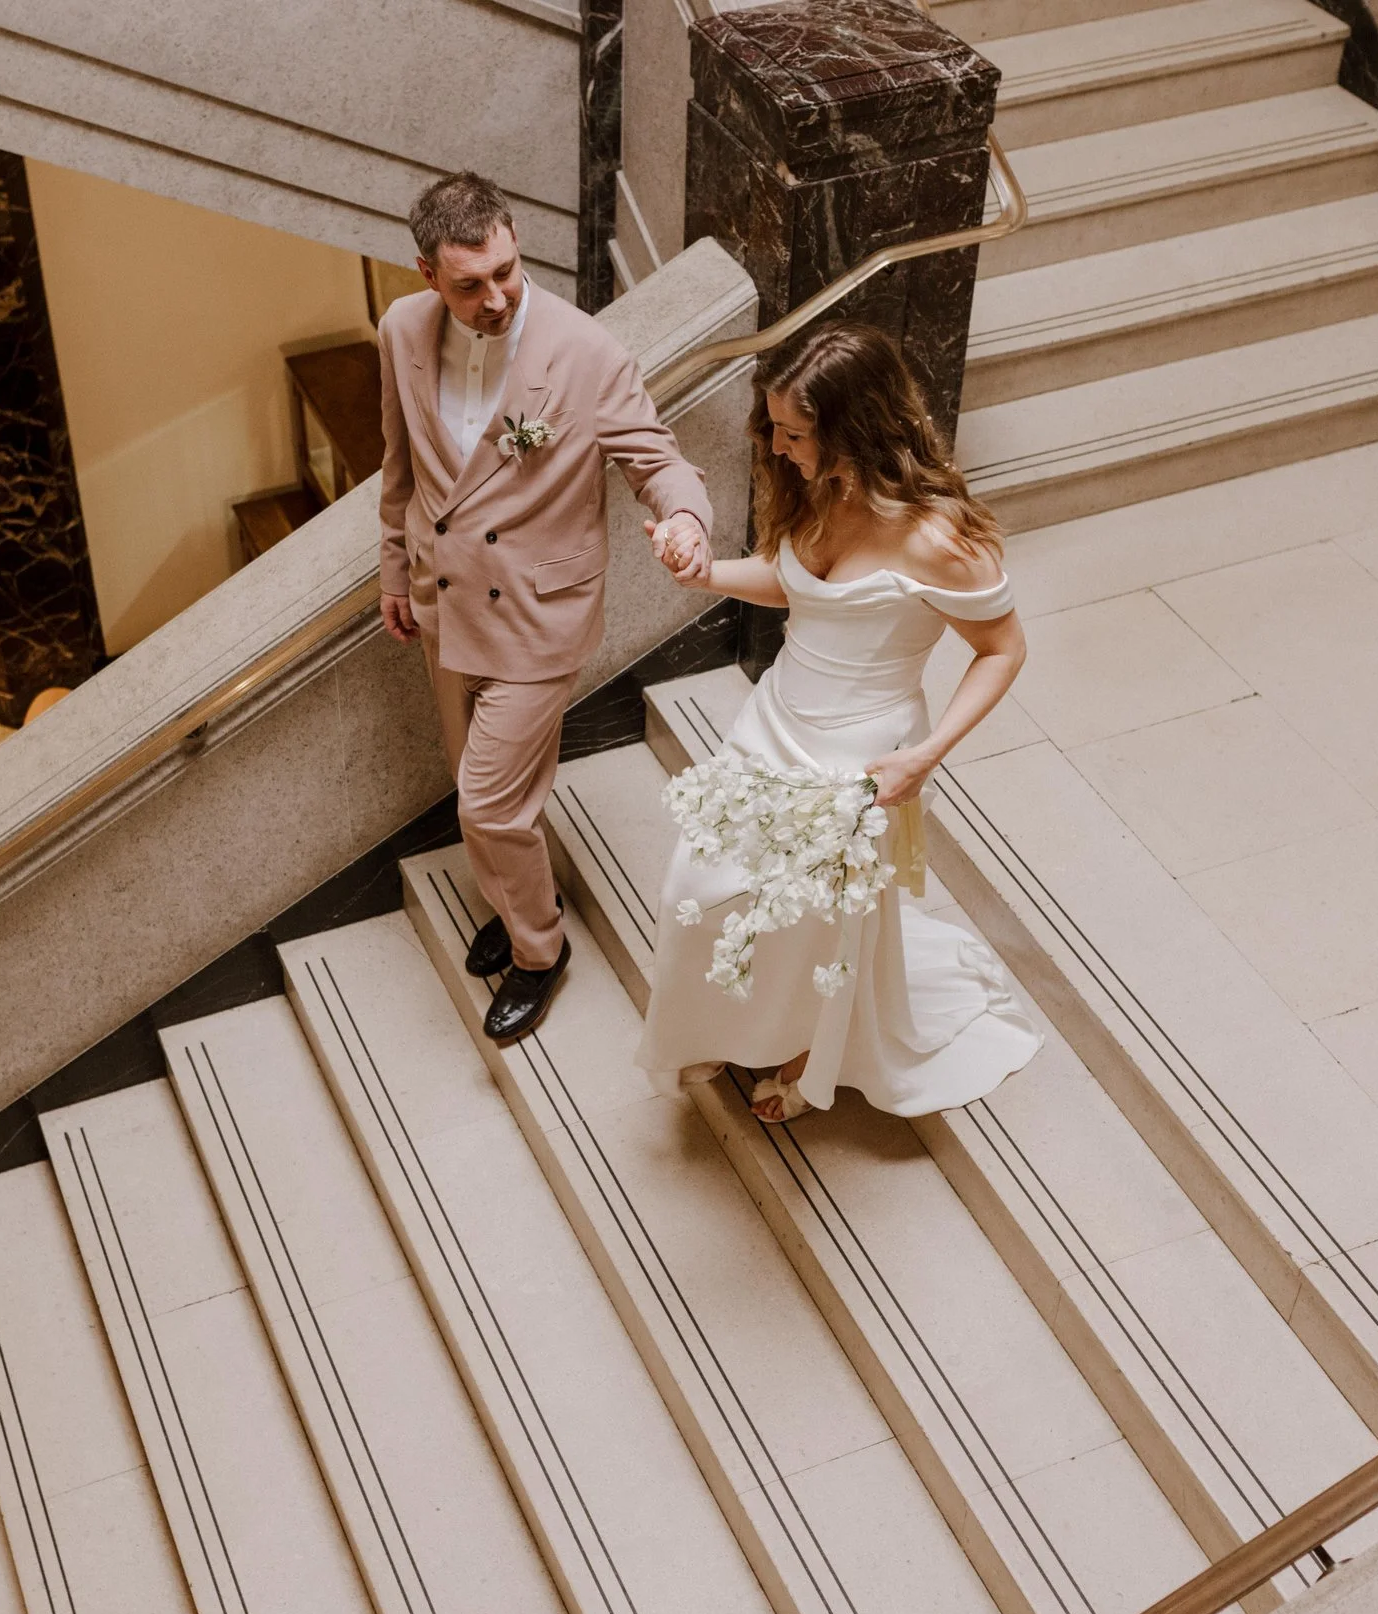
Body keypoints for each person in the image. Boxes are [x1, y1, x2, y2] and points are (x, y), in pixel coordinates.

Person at [638, 323, 1042, 1121]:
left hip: (861, 752)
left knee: (820, 923)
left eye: (795, 433)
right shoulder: (822, 489)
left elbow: (1003, 649)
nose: (779, 447)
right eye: (776, 428)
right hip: (776, 718)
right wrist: (704, 573)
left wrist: (924, 757)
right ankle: (732, 1021)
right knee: (699, 884)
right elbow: (798, 585)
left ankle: (802, 1052)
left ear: (852, 428)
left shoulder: (939, 540)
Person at [378, 171, 713, 1041]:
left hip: (538, 617)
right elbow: (401, 468)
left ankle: (540, 949)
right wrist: (390, 570)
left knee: (486, 804)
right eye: (468, 285)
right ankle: (516, 894)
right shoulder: (401, 331)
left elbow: (656, 457)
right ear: (426, 274)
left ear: (515, 238)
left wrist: (682, 516)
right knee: (484, 787)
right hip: (442, 601)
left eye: (507, 272)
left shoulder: (585, 350)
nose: (495, 298)